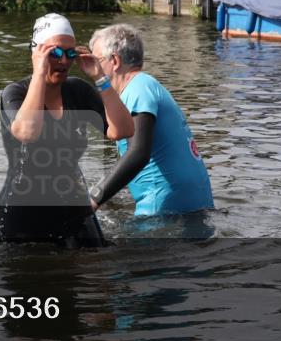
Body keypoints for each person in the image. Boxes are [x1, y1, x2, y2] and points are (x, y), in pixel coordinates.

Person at [0, 13, 134, 246]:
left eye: (70, 53)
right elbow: (28, 132)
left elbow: (123, 130)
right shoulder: (14, 93)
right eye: (55, 53)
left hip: (72, 206)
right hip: (22, 212)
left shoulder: (78, 90)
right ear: (37, 53)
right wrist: (39, 72)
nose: (64, 61)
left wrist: (100, 78)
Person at [87, 24, 214, 216]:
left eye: (96, 61)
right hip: (190, 202)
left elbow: (138, 153)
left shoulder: (138, 88)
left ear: (114, 61)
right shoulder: (146, 85)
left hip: (164, 205)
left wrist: (94, 198)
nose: (92, 69)